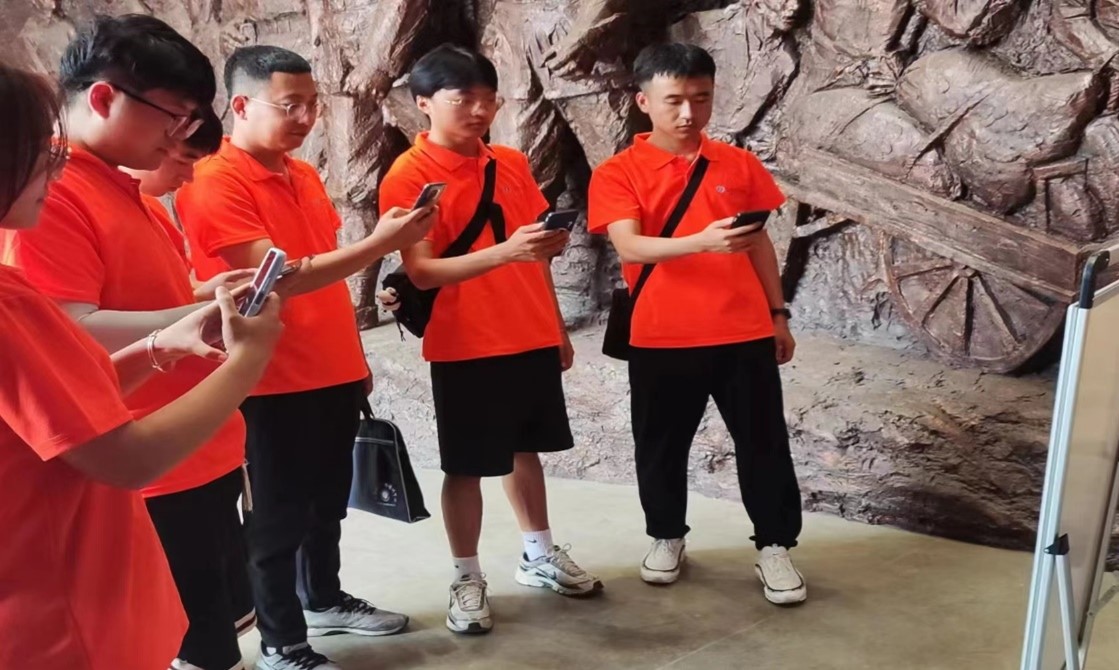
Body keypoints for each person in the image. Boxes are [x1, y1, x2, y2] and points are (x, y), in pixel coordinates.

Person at [0, 63, 282, 670]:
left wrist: (159, 347)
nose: (52, 169)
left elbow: (59, 411)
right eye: (37, 153)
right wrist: (247, 362)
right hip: (66, 615)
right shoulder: (9, 302)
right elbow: (124, 458)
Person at [176, 45, 435, 670]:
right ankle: (281, 642)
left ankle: (322, 598)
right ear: (241, 105)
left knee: (326, 505)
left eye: (313, 104)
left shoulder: (302, 174)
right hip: (269, 380)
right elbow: (279, 278)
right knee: (275, 517)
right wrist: (381, 243)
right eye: (289, 105)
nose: (306, 118)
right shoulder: (214, 179)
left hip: (331, 369)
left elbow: (326, 280)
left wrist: (354, 359)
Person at [378, 44, 602, 637]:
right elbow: (423, 270)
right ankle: (467, 576)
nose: (479, 111)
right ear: (424, 103)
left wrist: (555, 327)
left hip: (527, 332)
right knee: (468, 465)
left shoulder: (510, 162)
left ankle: (538, 554)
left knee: (526, 452)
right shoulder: (409, 175)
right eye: (463, 99)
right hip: (466, 341)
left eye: (488, 100)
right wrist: (506, 252)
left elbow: (536, 255)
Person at [587, 43, 807, 604]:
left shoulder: (739, 164)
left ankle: (775, 545)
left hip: (744, 332)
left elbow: (759, 245)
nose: (689, 113)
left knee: (764, 443)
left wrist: (778, 314)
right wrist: (702, 242)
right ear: (643, 101)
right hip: (661, 335)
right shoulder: (617, 173)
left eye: (701, 98)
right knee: (660, 444)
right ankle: (666, 535)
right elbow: (630, 246)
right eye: (675, 100)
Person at [124, 108, 225, 289]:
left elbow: (169, 289)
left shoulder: (153, 209)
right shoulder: (91, 204)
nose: (189, 177)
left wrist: (210, 292)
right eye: (182, 161)